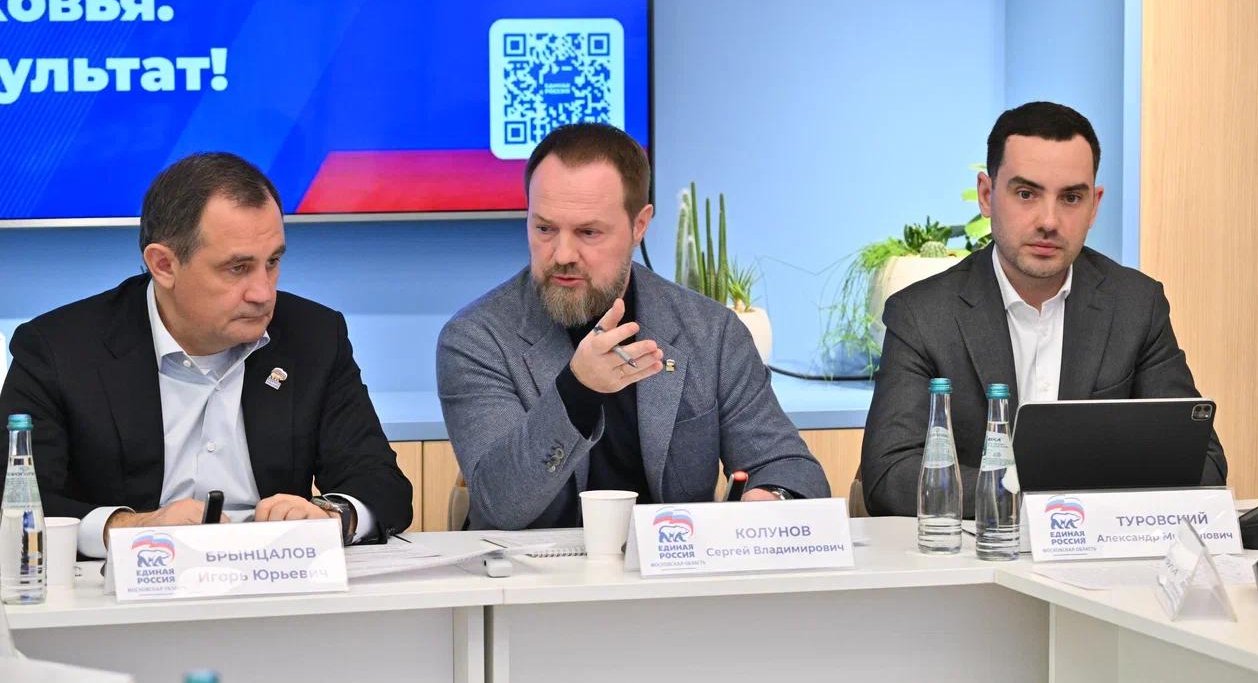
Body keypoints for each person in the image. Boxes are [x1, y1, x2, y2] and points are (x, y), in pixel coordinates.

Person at [0, 153, 412, 556]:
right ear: (163, 265)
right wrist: (129, 528)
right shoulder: (58, 350)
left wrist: (332, 515)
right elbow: (15, 502)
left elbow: (381, 483)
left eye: (272, 262)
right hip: (132, 581)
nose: (263, 292)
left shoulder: (313, 335)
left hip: (275, 577)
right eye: (238, 268)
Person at [437, 122, 829, 529]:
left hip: (673, 562)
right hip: (530, 567)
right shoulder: (477, 338)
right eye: (545, 229)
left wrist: (771, 497)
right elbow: (501, 504)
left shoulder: (710, 332)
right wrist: (578, 390)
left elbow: (791, 469)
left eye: (588, 232)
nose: (562, 254)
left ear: (639, 226)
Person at [862, 101, 1227, 516]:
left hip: (1098, 549)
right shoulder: (923, 315)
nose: (1049, 221)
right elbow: (889, 475)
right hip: (978, 549)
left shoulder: (1136, 306)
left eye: (1071, 197)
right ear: (986, 195)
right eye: (1026, 194)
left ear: (1094, 205)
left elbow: (1203, 464)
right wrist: (1036, 501)